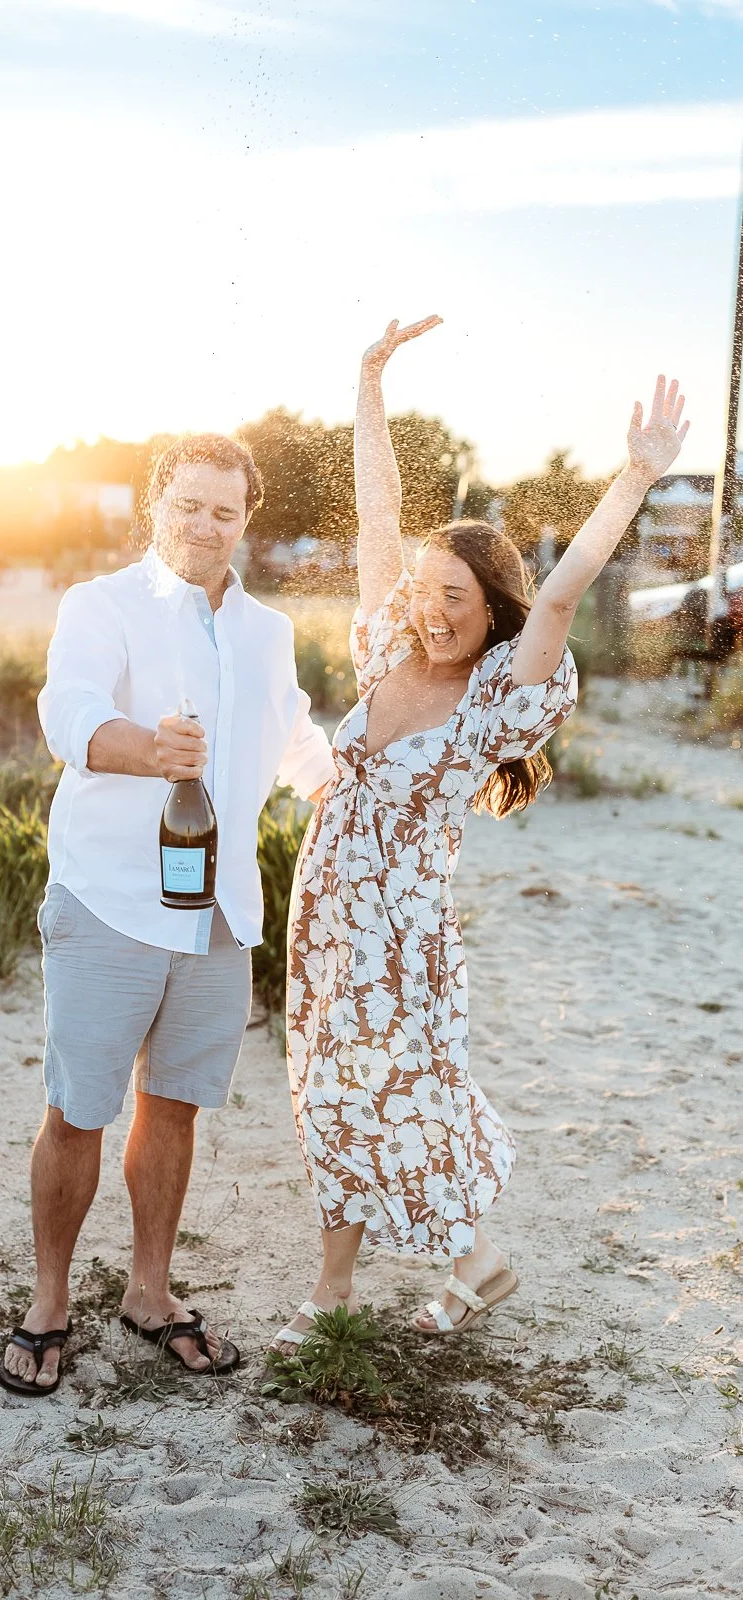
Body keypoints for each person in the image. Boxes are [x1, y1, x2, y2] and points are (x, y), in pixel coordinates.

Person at [275, 317, 688, 1347]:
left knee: (396, 1095)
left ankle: (461, 1262)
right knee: (322, 1087)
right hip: (324, 905)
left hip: (401, 935)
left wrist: (633, 478)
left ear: (486, 609)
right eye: (422, 593)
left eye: (450, 598)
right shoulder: (381, 652)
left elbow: (557, 592)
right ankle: (387, 1281)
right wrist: (366, 379)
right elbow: (378, 515)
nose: (427, 611)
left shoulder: (494, 700)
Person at [0, 433, 336, 1397]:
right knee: (77, 1111)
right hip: (108, 900)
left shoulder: (267, 629)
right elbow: (66, 714)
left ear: (246, 519)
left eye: (225, 511)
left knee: (173, 1107)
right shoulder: (98, 604)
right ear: (158, 502)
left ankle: (149, 1291)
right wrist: (147, 750)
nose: (205, 526)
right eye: (188, 505)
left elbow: (293, 734)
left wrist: (349, 782)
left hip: (218, 914)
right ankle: (50, 1301)